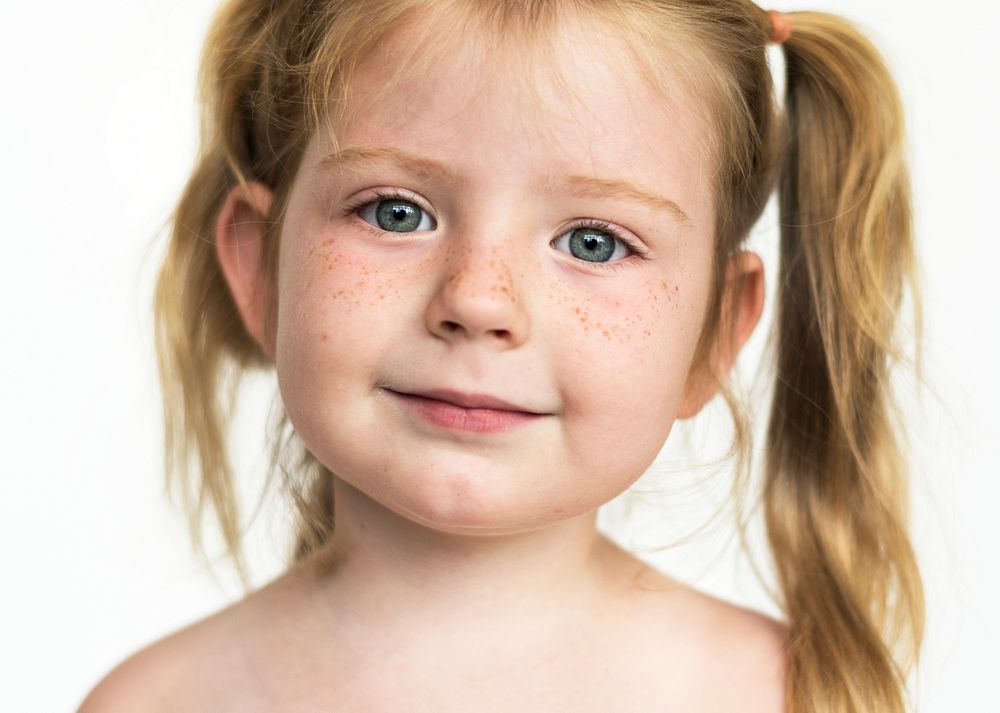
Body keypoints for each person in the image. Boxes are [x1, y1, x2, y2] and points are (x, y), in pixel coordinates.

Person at [78, 1, 924, 710]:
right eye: (396, 213)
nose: (478, 301)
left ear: (711, 336)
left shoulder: (780, 698)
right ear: (261, 265)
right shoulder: (155, 702)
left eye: (593, 241)